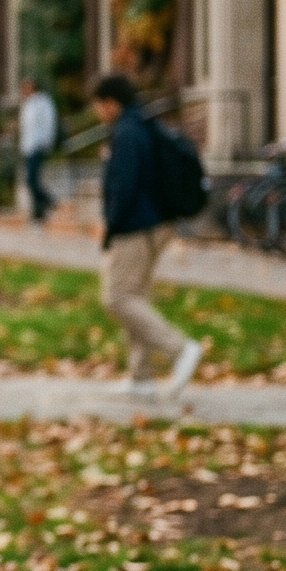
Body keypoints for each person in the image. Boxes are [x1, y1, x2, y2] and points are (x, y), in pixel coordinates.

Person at [93, 71, 207, 395]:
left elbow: (124, 187)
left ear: (110, 103)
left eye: (99, 106)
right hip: (156, 223)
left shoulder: (127, 133)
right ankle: (141, 377)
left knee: (118, 296)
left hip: (136, 226)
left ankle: (180, 349)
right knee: (136, 295)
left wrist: (110, 226)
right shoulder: (144, 124)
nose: (98, 113)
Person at [18, 73, 57, 224]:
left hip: (38, 146)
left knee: (32, 180)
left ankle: (48, 202)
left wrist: (46, 143)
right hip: (28, 147)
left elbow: (49, 123)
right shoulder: (27, 104)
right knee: (31, 181)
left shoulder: (43, 101)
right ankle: (39, 213)